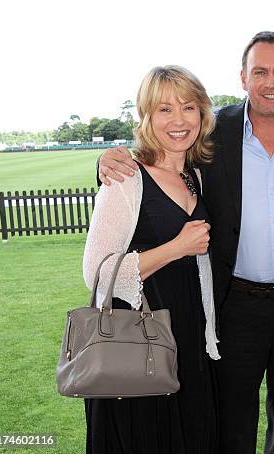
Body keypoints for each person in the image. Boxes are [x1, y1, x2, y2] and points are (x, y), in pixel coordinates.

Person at [97, 32, 274, 454]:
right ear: (243, 78)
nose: (271, 81)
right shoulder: (213, 133)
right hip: (234, 305)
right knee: (231, 427)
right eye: (260, 71)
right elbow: (148, 173)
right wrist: (103, 165)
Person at [83, 65, 220, 454]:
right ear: (146, 117)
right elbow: (95, 271)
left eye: (188, 107)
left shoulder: (197, 175)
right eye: (164, 110)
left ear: (202, 114)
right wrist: (175, 247)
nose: (178, 120)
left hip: (190, 340)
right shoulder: (126, 178)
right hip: (137, 345)